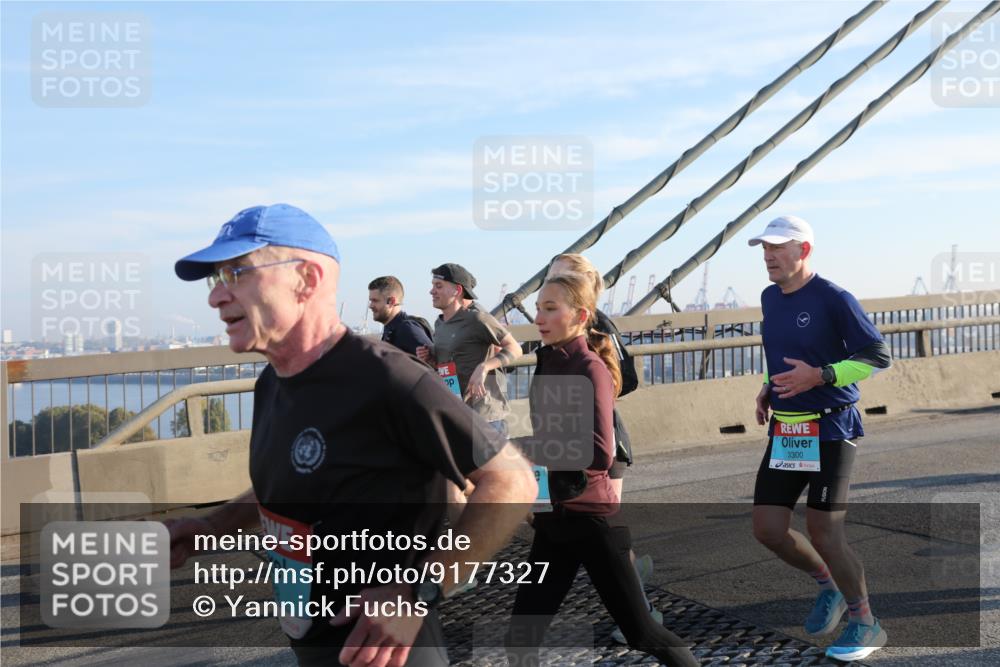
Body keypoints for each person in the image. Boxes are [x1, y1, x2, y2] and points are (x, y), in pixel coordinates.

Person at [165, 203, 537, 667]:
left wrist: (419, 590)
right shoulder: (272, 382)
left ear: (308, 279)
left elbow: (513, 480)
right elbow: (288, 488)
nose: (217, 297)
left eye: (237, 272)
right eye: (215, 279)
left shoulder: (389, 380)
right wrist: (208, 528)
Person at [505, 271, 698, 667]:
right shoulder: (549, 361)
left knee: (642, 633)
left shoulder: (588, 367)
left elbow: (598, 452)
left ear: (580, 315)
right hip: (554, 520)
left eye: (550, 308)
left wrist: (523, 450)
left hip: (591, 520)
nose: (539, 317)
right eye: (538, 308)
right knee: (520, 640)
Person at [748, 215, 891, 662]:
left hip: (831, 425)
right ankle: (828, 586)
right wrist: (771, 386)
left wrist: (822, 375)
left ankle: (866, 621)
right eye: (764, 248)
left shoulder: (834, 298)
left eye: (777, 247)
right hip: (789, 427)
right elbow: (784, 353)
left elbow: (876, 356)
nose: (768, 255)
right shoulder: (770, 298)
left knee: (824, 530)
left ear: (803, 250)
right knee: (768, 528)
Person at [544, 253, 657, 645]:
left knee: (602, 533)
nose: (550, 282)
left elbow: (626, 381)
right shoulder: (555, 334)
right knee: (591, 540)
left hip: (608, 443)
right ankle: (636, 608)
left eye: (559, 276)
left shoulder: (598, 328)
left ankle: (641, 617)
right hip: (571, 459)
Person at [417, 263, 522, 437]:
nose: (431, 291)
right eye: (432, 285)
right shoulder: (440, 323)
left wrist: (485, 367)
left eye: (438, 286)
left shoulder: (477, 319)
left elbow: (515, 348)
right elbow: (447, 365)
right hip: (457, 413)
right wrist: (430, 358)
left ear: (457, 290)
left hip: (486, 417)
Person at [368, 275, 433, 357]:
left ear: (391, 302)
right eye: (371, 301)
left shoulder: (407, 329)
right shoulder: (392, 329)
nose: (370, 306)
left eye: (375, 301)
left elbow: (434, 361)